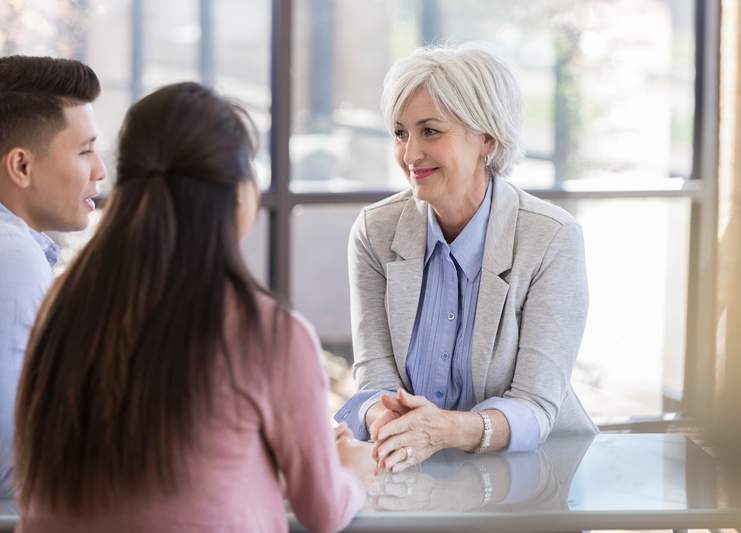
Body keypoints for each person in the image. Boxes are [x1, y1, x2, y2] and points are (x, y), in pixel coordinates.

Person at [14, 82, 373, 532]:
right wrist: (354, 471)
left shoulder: (64, 305)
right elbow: (323, 512)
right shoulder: (270, 333)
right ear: (237, 191)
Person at [335, 44, 596, 473]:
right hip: (417, 479)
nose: (409, 154)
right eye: (400, 133)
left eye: (430, 131)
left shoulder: (551, 239)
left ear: (487, 137)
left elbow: (535, 406)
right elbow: (374, 382)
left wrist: (444, 430)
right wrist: (384, 418)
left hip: (538, 477)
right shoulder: (375, 233)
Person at [0, 55, 106, 492]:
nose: (100, 171)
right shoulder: (11, 257)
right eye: (84, 152)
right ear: (21, 166)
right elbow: (15, 465)